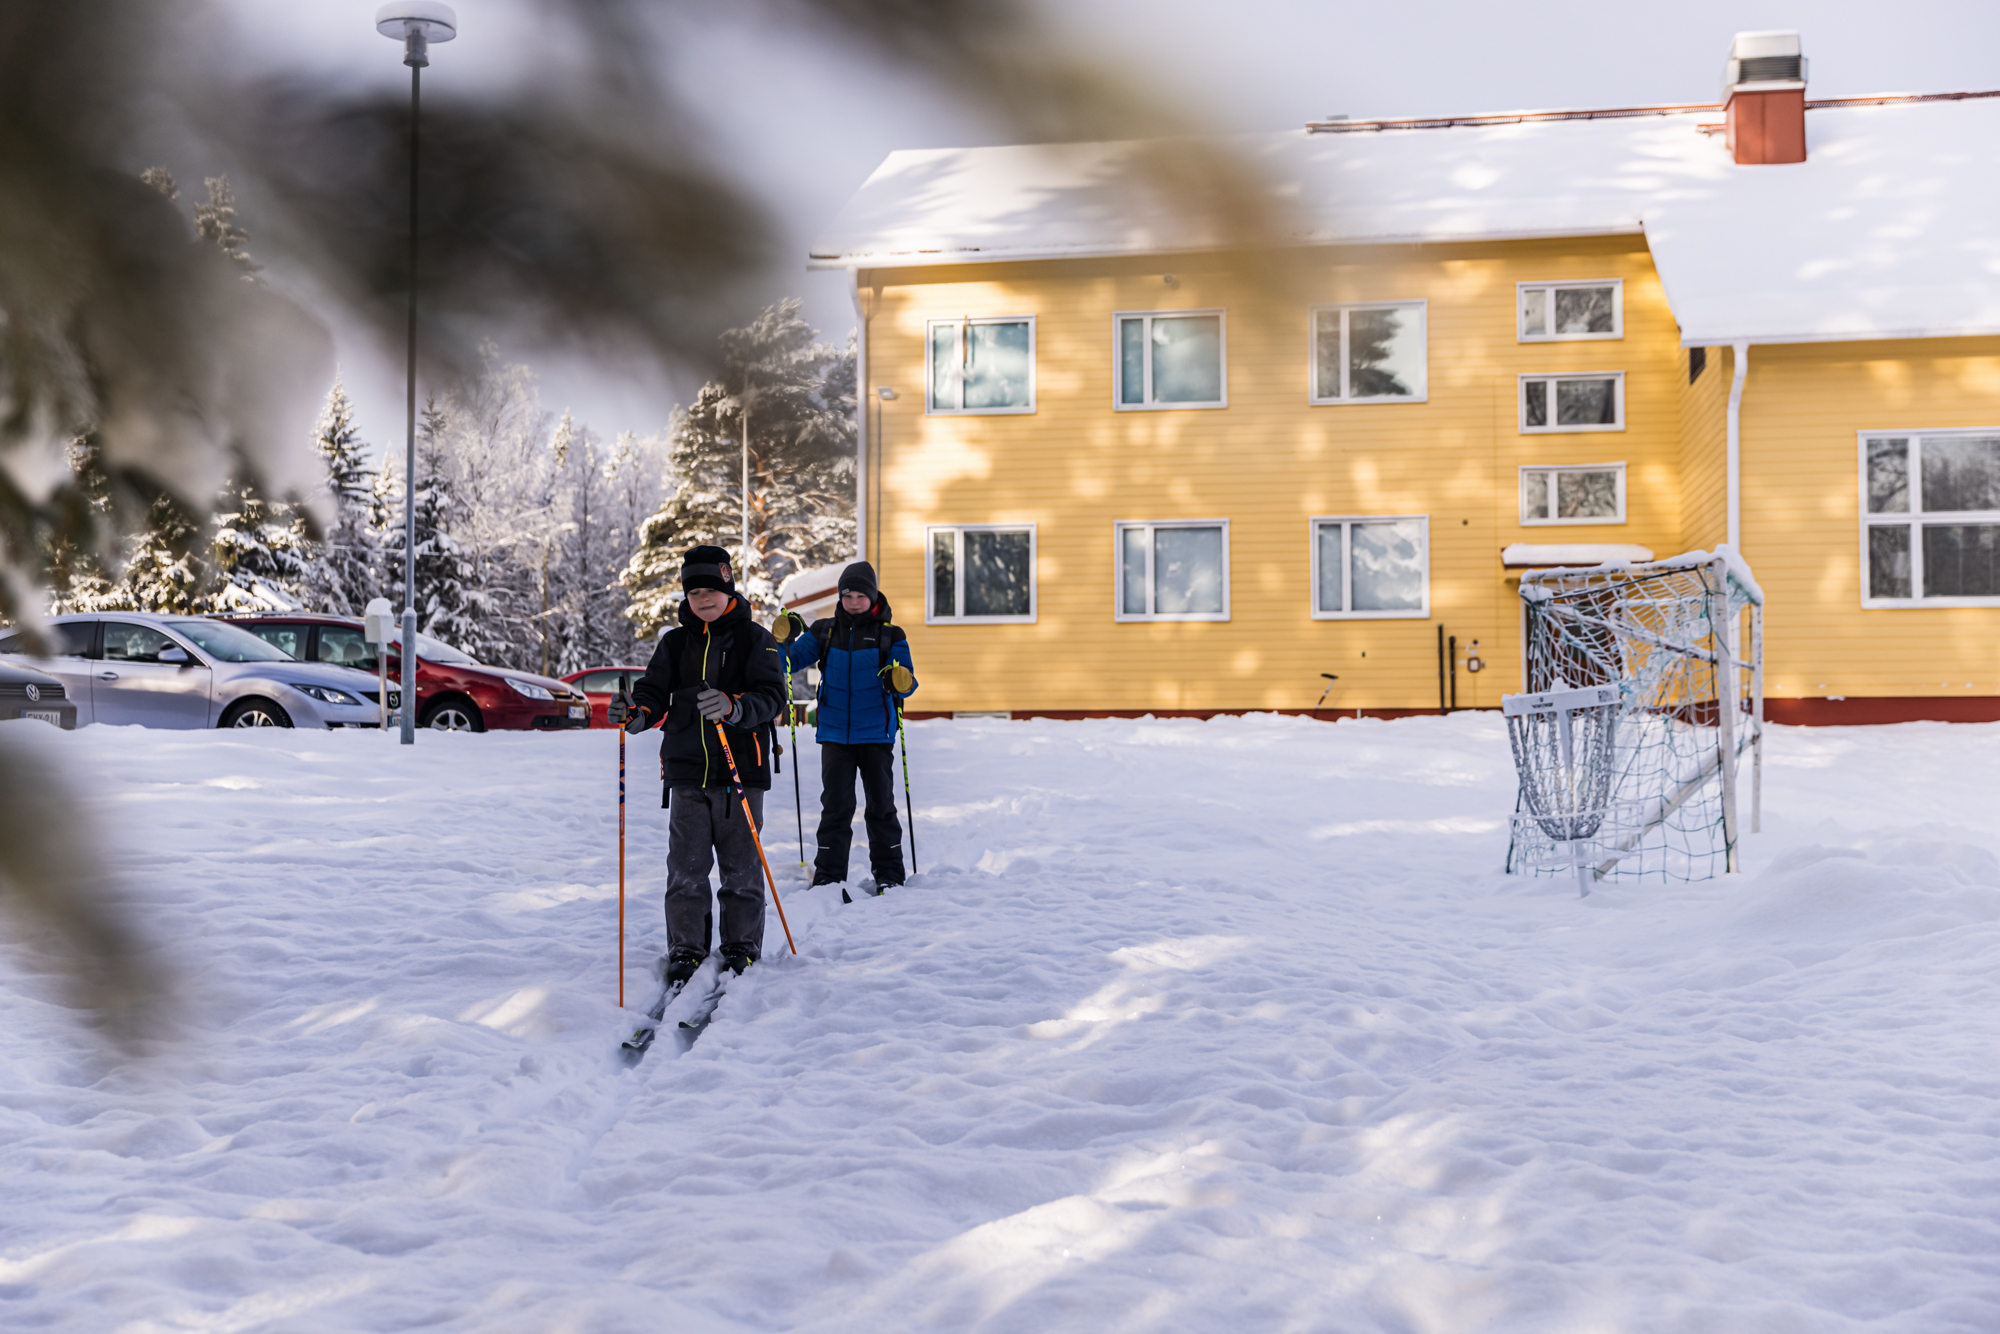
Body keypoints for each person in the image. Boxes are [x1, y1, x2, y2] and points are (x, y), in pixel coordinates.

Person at [616, 545, 786, 985]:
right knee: (686, 868)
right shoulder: (675, 643)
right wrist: (637, 714)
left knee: (741, 868)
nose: (703, 599)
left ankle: (741, 946)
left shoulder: (756, 639)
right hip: (687, 770)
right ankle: (687, 949)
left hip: (740, 773)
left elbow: (772, 697)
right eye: (694, 593)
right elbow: (653, 693)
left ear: (728, 588)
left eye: (711, 589)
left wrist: (734, 706)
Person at [773, 560, 917, 897]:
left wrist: (900, 680)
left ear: (873, 596)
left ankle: (890, 875)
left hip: (875, 733)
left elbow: (907, 680)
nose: (853, 601)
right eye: (847, 595)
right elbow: (786, 662)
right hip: (835, 733)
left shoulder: (889, 634)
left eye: (859, 596)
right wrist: (783, 638)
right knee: (835, 807)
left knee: (881, 806)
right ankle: (829, 876)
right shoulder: (825, 631)